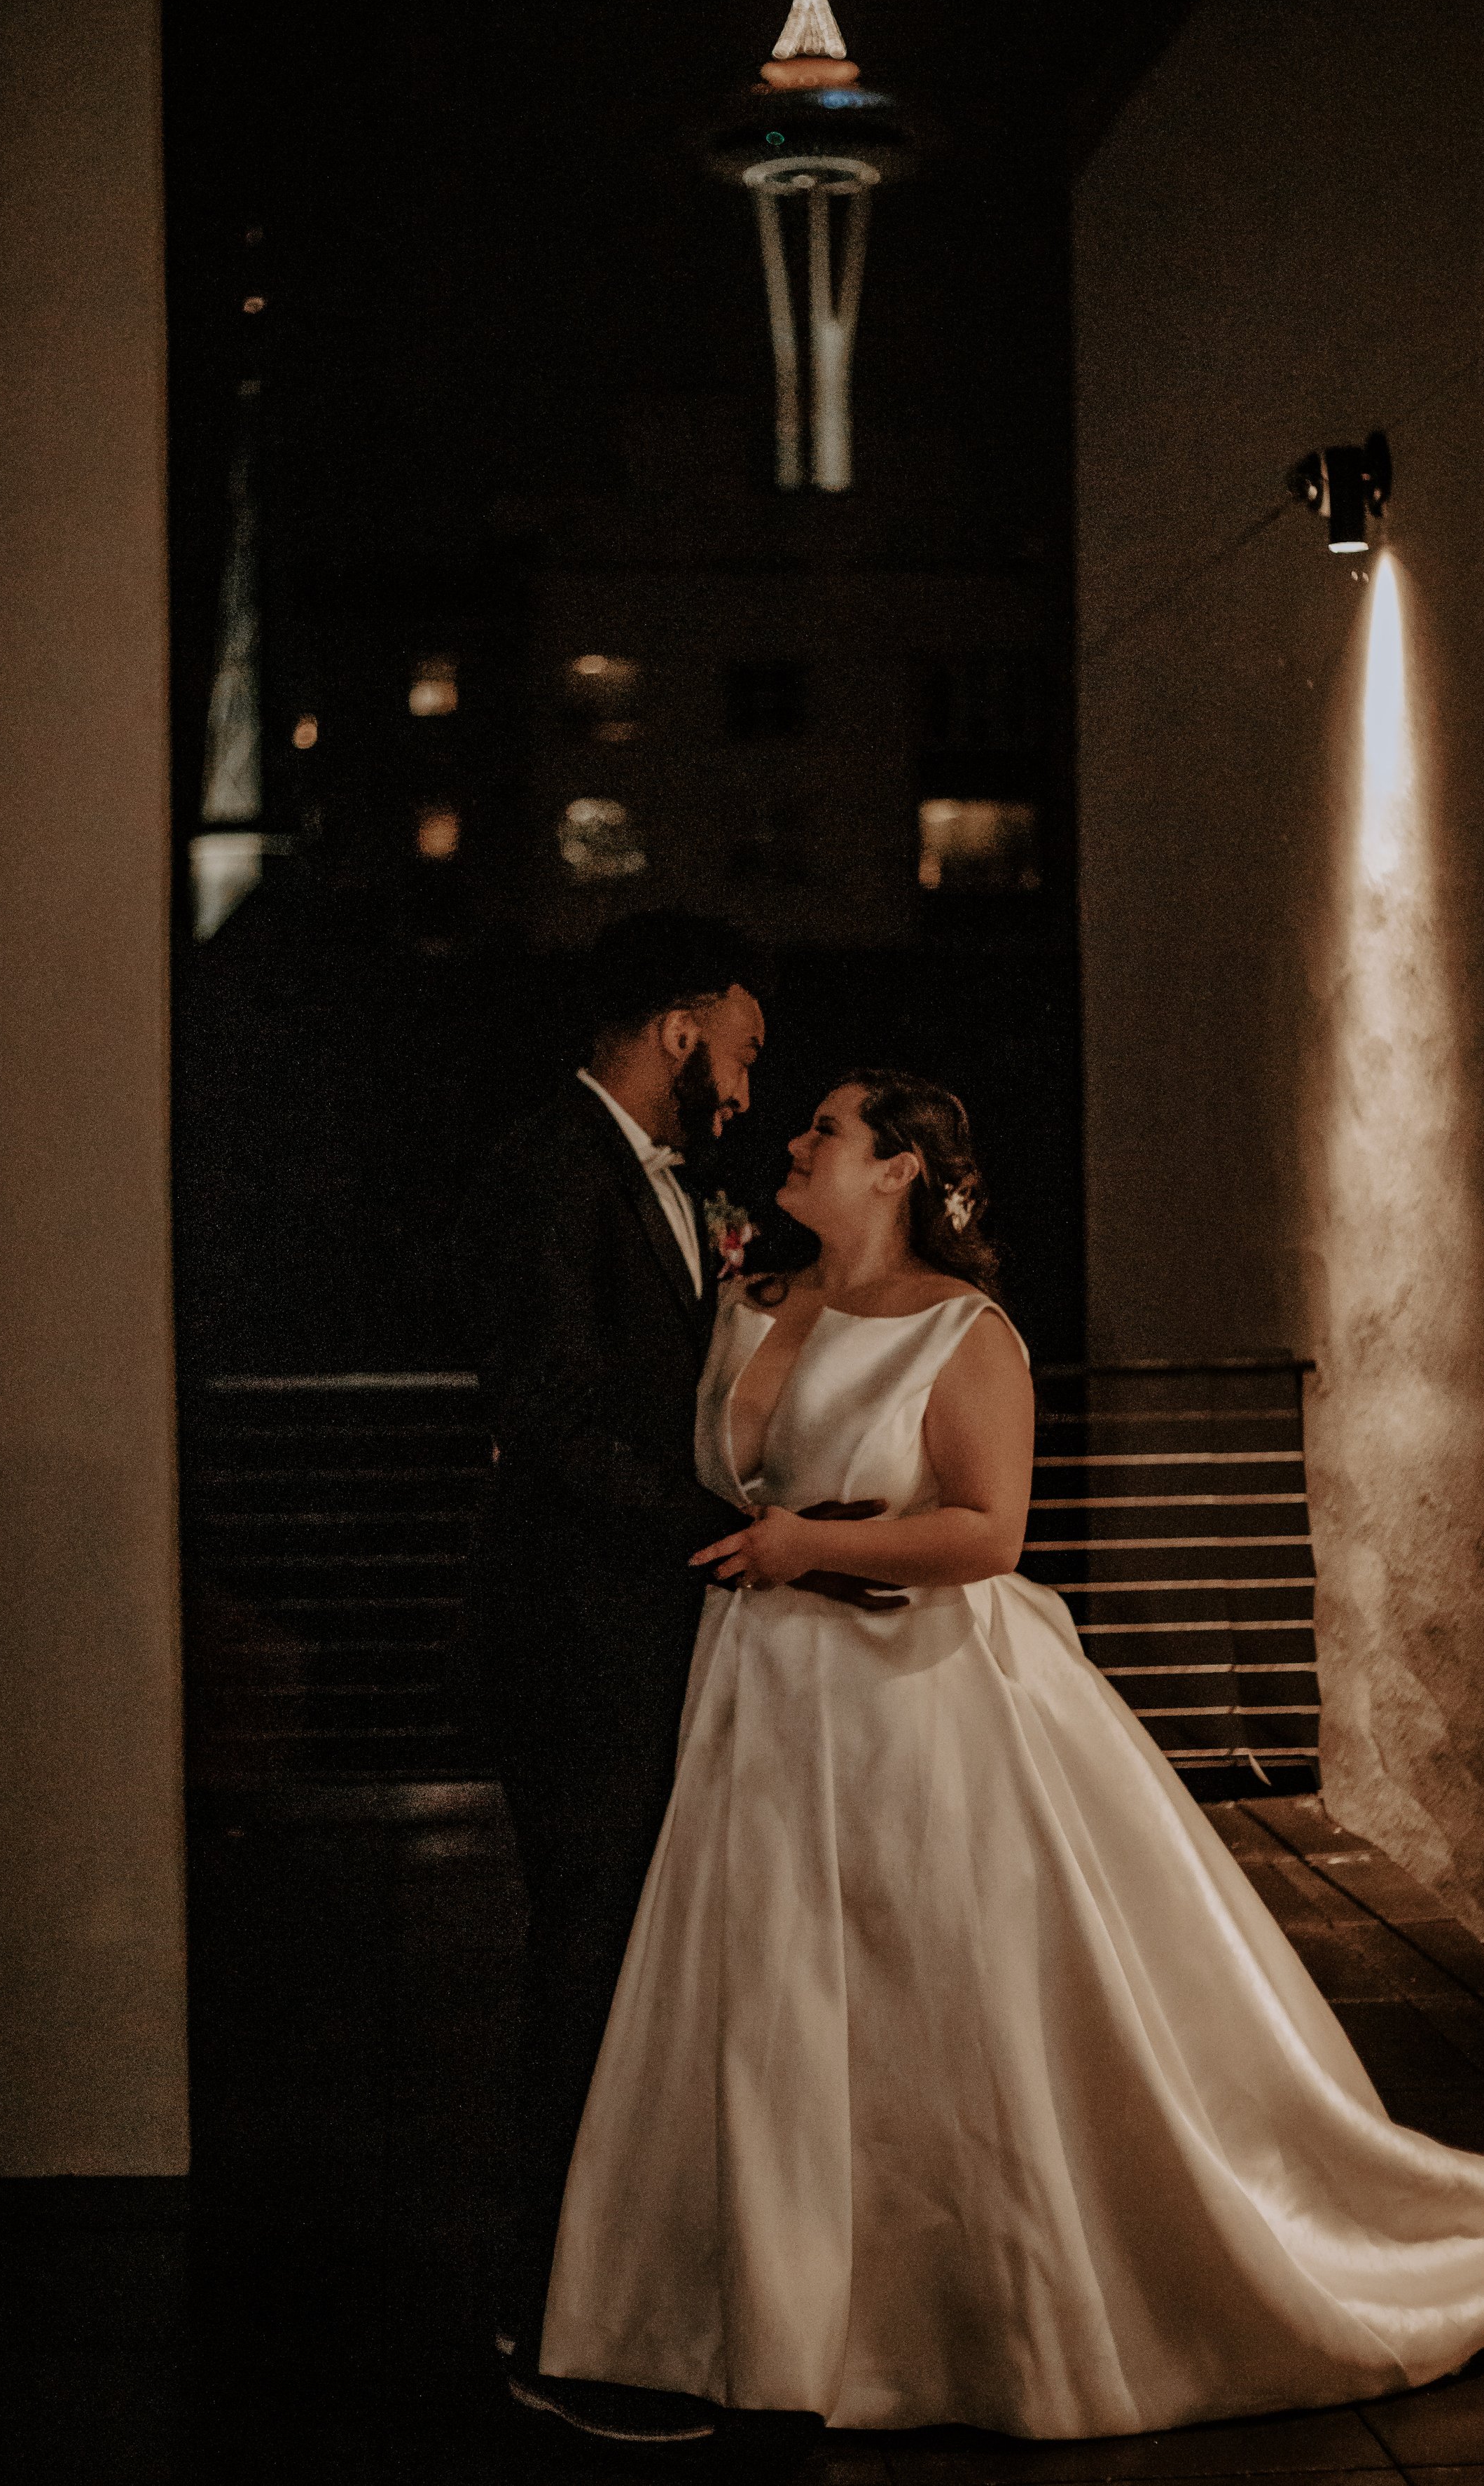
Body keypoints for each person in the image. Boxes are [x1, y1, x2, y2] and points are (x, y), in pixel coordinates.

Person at [538, 1068, 1484, 2440]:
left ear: (899, 1170)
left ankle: (965, 2312)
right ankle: (781, 2309)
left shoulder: (963, 1330)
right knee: (771, 1990)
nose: (794, 1141)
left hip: (911, 1703)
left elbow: (988, 1532)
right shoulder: (750, 1302)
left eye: (828, 1129)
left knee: (933, 1980)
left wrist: (810, 1544)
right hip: (756, 1692)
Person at [455, 913, 898, 2445]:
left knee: (641, 1965)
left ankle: (633, 2286)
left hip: (652, 1632)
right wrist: (741, 1536)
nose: (749, 1085)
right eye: (744, 1048)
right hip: (577, 1638)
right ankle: (546, 2318)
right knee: (586, 1964)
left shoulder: (664, 1180)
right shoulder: (545, 1167)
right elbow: (557, 1416)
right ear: (678, 1024)